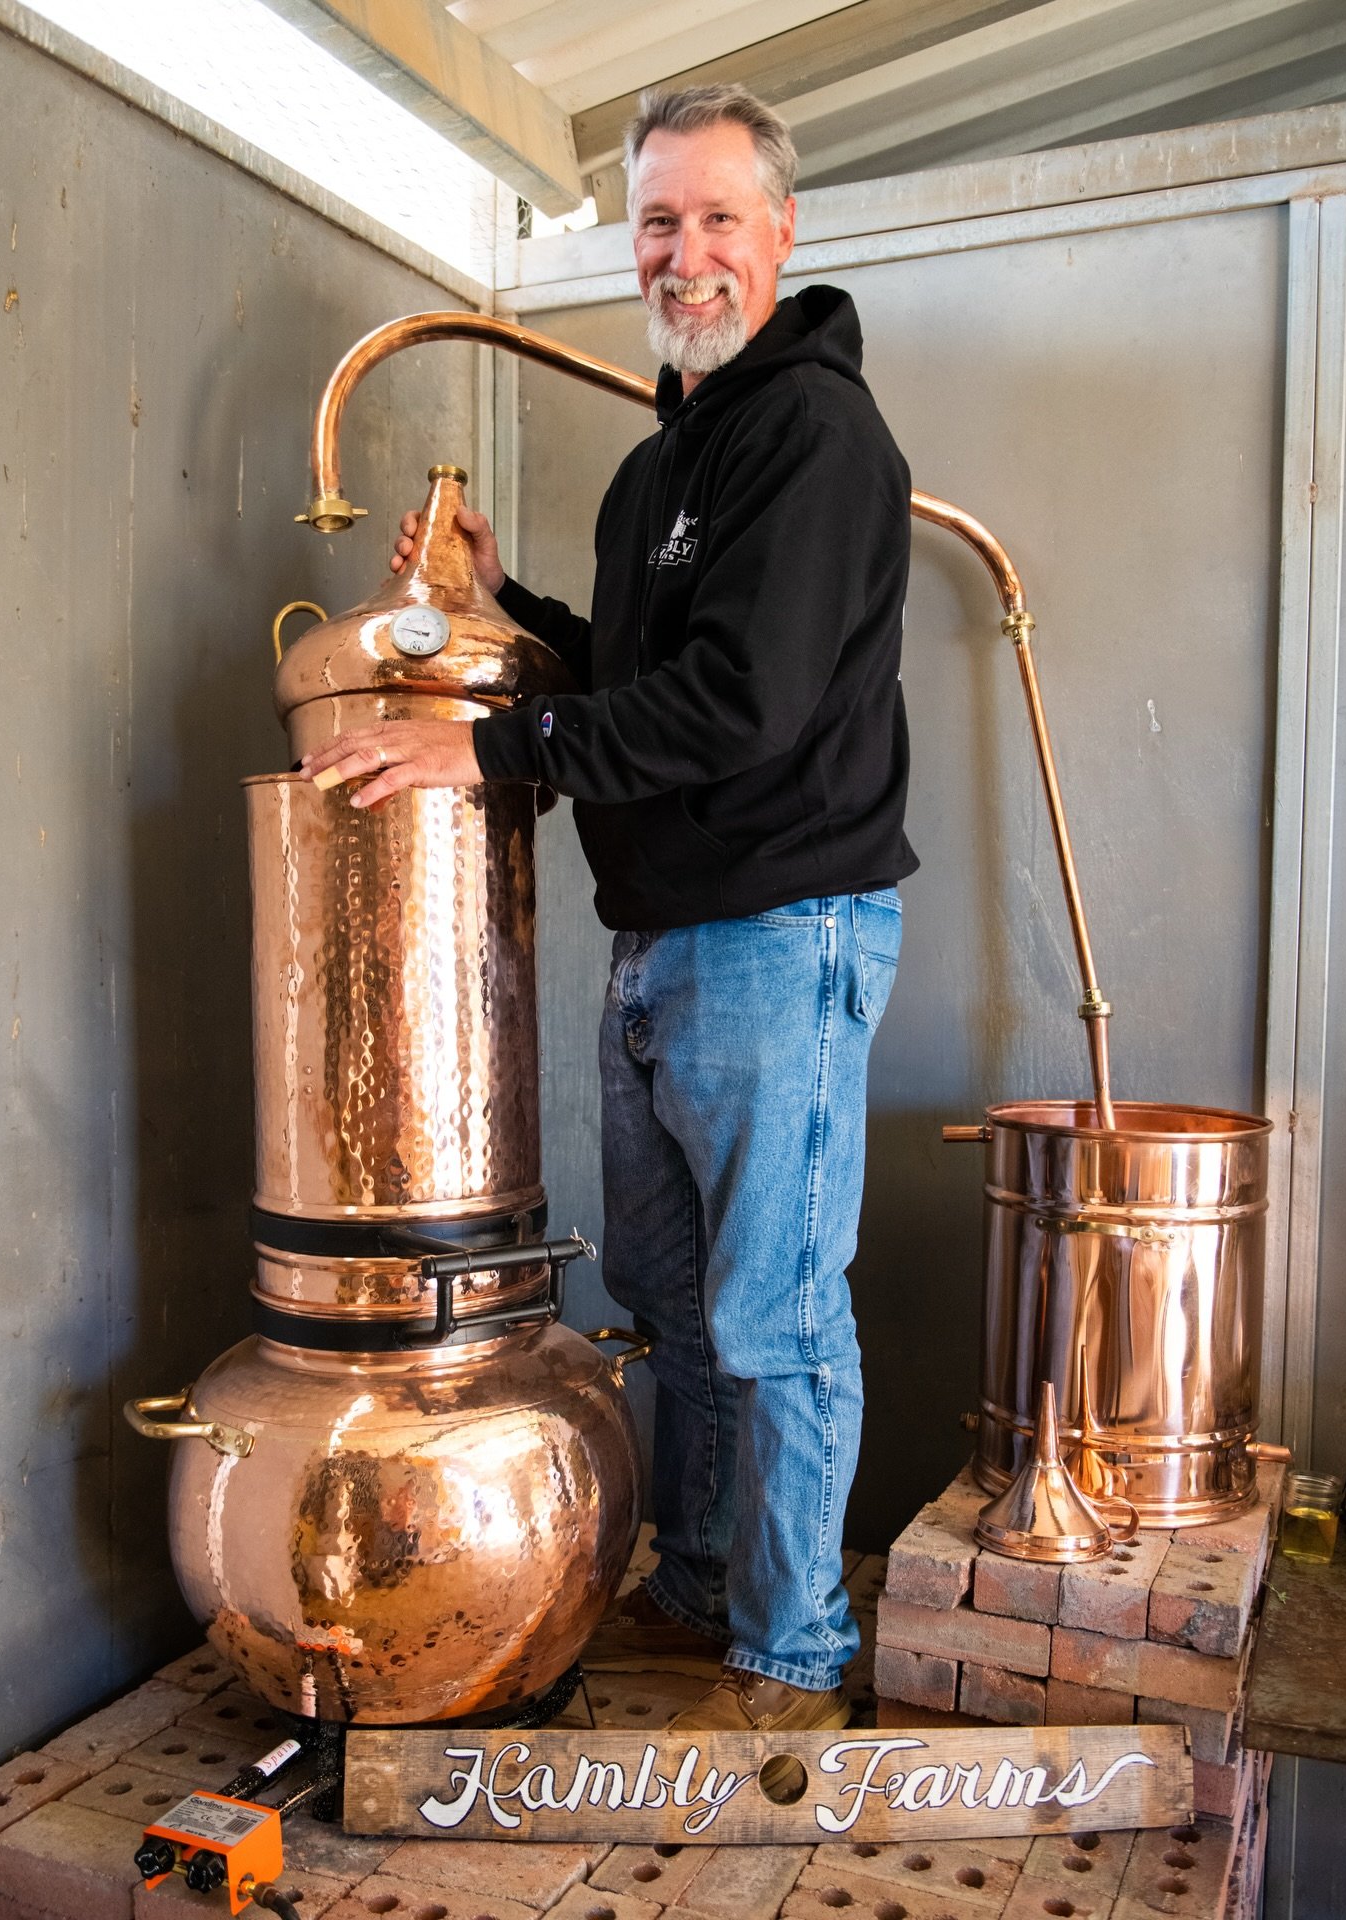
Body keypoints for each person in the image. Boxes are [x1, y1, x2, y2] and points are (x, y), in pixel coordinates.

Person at [301, 84, 916, 1737]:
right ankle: (703, 1574)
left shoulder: (816, 437)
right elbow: (640, 675)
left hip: (782, 931)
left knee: (773, 1312)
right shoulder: (660, 467)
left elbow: (743, 703)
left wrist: (486, 748)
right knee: (668, 1295)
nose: (685, 251)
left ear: (780, 231)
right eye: (658, 221)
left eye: (718, 217)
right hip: (661, 938)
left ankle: (793, 1652)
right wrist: (505, 603)